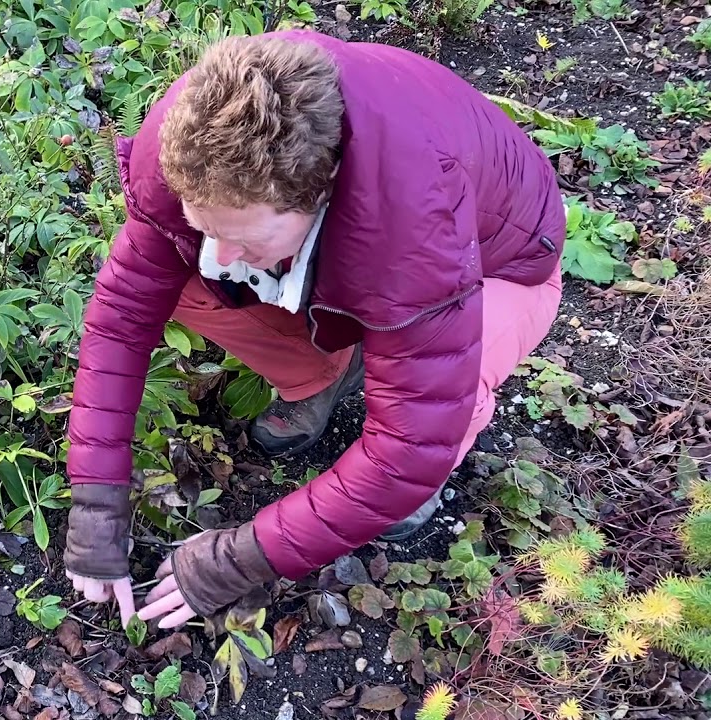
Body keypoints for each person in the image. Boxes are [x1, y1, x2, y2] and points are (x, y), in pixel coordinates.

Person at [60, 29, 566, 629]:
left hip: (499, 266)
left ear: (317, 192)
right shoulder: (190, 144)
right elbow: (121, 319)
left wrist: (241, 559)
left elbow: (407, 450)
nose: (222, 256)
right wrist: (95, 503)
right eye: (207, 225)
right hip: (359, 247)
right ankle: (321, 376)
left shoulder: (411, 217)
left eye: (245, 237)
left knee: (446, 394)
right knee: (180, 275)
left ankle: (438, 430)